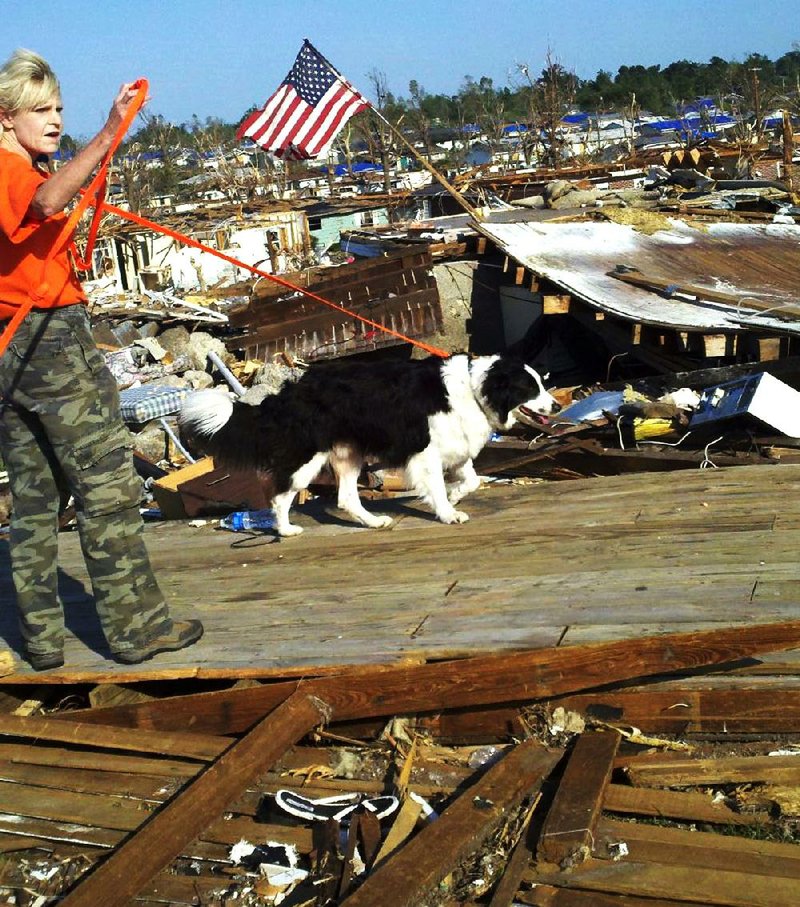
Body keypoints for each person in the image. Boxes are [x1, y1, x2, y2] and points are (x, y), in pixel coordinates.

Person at [0, 49, 203, 670]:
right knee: (107, 485)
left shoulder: (20, 166)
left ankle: (40, 638)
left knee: (34, 497)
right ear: (6, 117)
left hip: (9, 344)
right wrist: (112, 131)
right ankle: (136, 629)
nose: (55, 119)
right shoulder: (12, 173)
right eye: (41, 109)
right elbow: (43, 205)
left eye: (58, 107)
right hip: (45, 340)